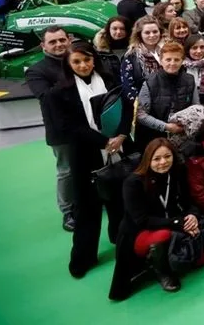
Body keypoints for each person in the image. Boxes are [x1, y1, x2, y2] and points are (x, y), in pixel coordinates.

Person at [47, 41, 132, 278]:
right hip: (86, 155)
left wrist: (122, 134)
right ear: (68, 64)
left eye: (87, 59)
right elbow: (69, 127)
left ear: (94, 59)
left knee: (121, 200)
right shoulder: (58, 93)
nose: (83, 65)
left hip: (120, 147)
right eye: (77, 61)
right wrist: (104, 142)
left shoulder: (111, 81)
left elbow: (126, 108)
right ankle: (83, 258)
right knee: (87, 208)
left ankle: (121, 239)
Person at [109, 139, 201, 300]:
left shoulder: (178, 172)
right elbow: (142, 220)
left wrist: (192, 216)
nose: (163, 162)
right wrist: (178, 223)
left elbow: (189, 201)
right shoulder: (133, 183)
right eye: (157, 158)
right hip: (139, 232)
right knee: (164, 235)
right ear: (148, 159)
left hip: (171, 221)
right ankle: (162, 272)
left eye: (167, 156)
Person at [25, 27, 75, 231]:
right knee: (66, 171)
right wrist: (74, 78)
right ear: (43, 45)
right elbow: (46, 97)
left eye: (62, 40)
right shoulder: (36, 71)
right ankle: (68, 211)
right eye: (53, 42)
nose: (59, 44)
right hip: (61, 130)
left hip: (89, 124)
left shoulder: (77, 59)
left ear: (69, 40)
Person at [136, 41, 198, 151]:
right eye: (168, 59)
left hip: (184, 137)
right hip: (156, 138)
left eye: (177, 59)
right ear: (161, 61)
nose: (172, 63)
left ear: (182, 61)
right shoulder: (150, 82)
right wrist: (166, 127)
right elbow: (141, 115)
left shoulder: (190, 80)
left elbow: (196, 108)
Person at [120, 17, 164, 105]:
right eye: (147, 32)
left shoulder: (168, 51)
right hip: (143, 105)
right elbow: (128, 86)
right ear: (140, 34)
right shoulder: (131, 56)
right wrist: (141, 105)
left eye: (155, 31)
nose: (152, 35)